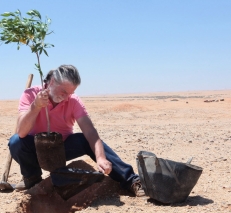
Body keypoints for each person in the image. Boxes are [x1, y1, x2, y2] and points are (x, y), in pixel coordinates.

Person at [8, 64, 145, 196]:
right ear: (52, 82)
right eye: (63, 91)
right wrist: (36, 106)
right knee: (16, 141)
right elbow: (21, 132)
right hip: (36, 149)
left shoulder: (73, 101)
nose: (66, 97)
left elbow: (90, 131)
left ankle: (131, 180)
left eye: (70, 93)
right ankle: (32, 179)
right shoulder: (31, 94)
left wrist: (101, 157)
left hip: (62, 148)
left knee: (84, 139)